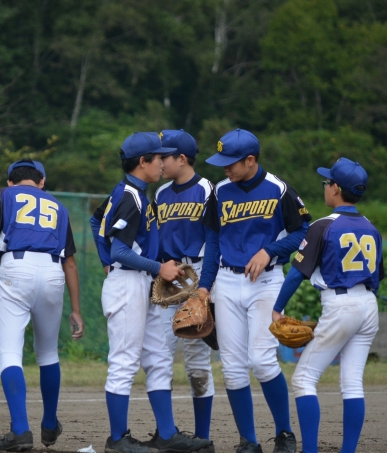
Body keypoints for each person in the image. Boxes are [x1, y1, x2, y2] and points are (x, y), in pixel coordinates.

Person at [90, 132, 214, 453]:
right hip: (128, 282)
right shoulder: (130, 197)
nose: (162, 163)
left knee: (158, 358)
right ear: (142, 162)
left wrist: (114, 262)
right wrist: (155, 268)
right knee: (124, 362)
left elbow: (95, 220)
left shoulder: (136, 193)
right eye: (157, 158)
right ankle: (117, 439)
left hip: (140, 281)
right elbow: (119, 250)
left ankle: (167, 435)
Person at [196, 128, 312, 453]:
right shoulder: (220, 191)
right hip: (226, 282)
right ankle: (249, 441)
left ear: (250, 160)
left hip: (266, 282)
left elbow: (304, 232)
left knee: (262, 361)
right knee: (233, 369)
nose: (225, 169)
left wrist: (270, 250)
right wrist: (204, 287)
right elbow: (213, 241)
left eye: (231, 163)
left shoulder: (278, 189)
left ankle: (285, 434)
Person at [0, 158, 84, 452]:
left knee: (10, 354)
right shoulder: (58, 206)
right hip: (53, 273)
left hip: (16, 269)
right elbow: (70, 263)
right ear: (42, 182)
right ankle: (49, 424)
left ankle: (20, 431)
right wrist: (76, 309)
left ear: (10, 182)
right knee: (48, 353)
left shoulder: (2, 195)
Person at [271, 157, 383, 453]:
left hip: (341, 305)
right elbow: (377, 277)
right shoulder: (371, 228)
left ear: (336, 188)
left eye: (327, 182)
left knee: (304, 379)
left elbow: (296, 273)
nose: (325, 187)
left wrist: (277, 309)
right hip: (368, 305)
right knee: (352, 383)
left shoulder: (323, 225)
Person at [153, 130, 215, 444]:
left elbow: (216, 240)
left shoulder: (208, 190)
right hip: (168, 277)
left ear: (181, 158)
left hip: (199, 273)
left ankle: (202, 438)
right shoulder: (161, 193)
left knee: (197, 361)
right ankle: (165, 432)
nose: (159, 161)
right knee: (159, 354)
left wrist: (208, 286)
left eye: (164, 156)